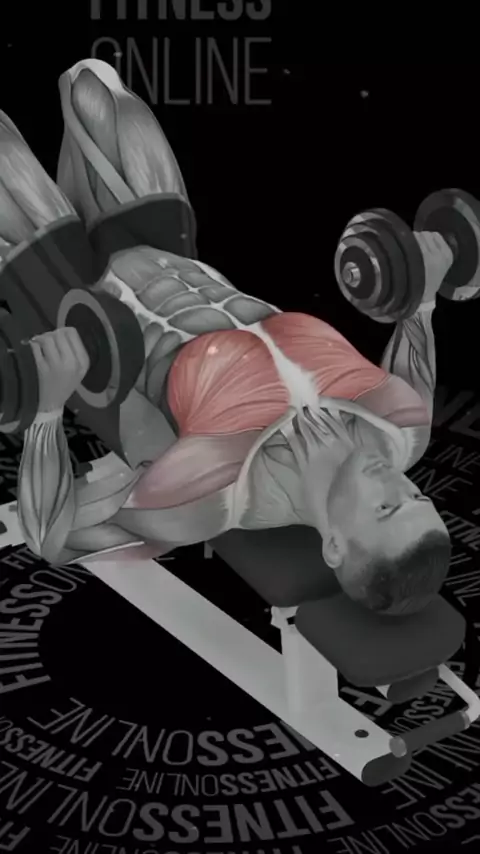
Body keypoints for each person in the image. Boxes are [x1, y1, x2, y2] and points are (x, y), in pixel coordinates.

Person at [16, 228, 454, 617]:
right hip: (173, 255)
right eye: (417, 495)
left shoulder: (211, 496)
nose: (397, 483)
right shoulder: (401, 429)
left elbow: (52, 537)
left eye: (385, 508)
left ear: (335, 546)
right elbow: (415, 338)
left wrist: (47, 410)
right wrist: (424, 292)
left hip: (89, 306)